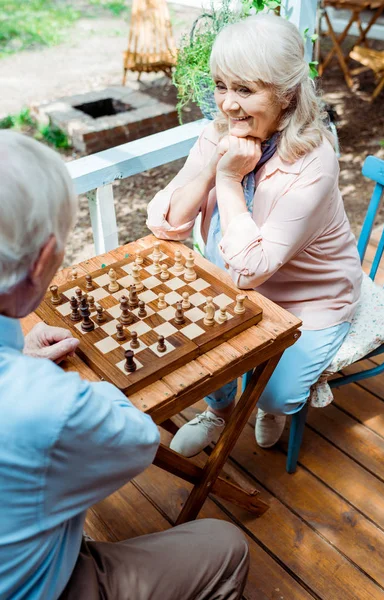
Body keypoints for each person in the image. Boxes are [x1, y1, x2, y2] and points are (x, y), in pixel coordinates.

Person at [0, 131, 249, 600]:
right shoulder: (45, 405)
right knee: (226, 543)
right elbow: (137, 441)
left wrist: (19, 359)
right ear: (44, 262)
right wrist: (65, 388)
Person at [146, 12, 363, 458]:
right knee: (201, 359)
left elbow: (252, 270)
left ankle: (269, 408)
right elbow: (165, 223)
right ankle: (220, 410)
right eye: (221, 85)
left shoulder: (314, 161)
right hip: (230, 284)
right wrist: (212, 168)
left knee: (274, 394)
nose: (226, 104)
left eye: (244, 89)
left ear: (285, 94)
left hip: (309, 297)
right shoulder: (220, 131)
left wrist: (228, 185)